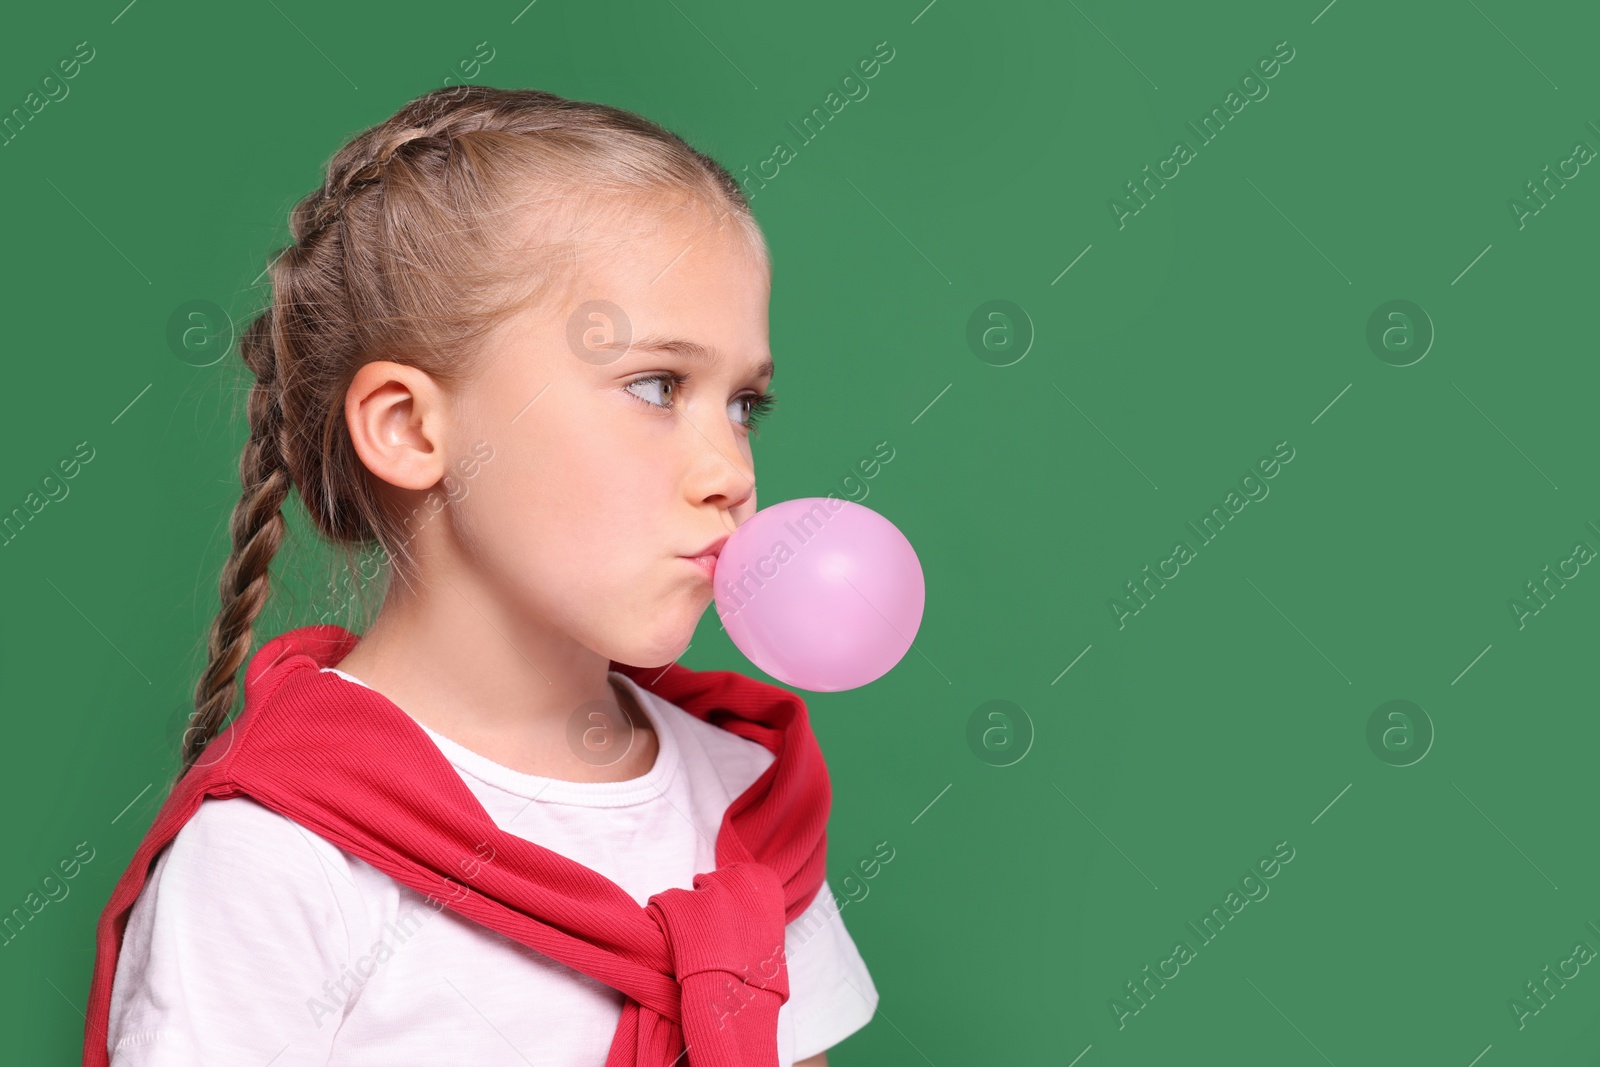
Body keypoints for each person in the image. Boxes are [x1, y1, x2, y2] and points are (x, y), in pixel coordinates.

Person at [87, 84, 877, 1066]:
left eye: (742, 403)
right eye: (655, 385)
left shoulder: (742, 803)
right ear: (412, 427)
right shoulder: (274, 861)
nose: (730, 471)